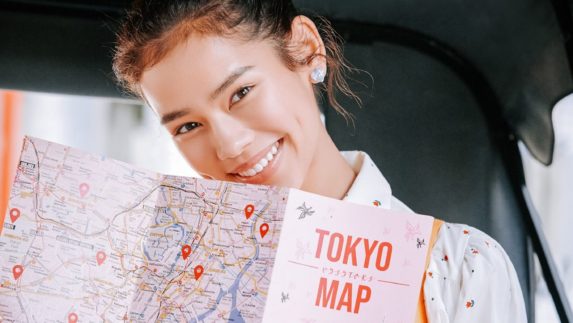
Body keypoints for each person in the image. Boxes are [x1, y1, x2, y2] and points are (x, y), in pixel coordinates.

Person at [112, 1, 527, 322]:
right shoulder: (177, 291)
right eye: (187, 127)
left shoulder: (459, 269)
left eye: (240, 93)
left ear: (306, 49)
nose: (229, 147)